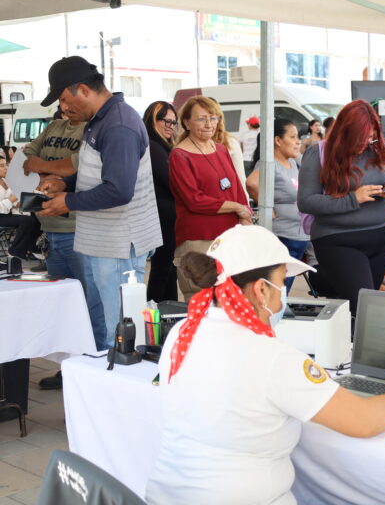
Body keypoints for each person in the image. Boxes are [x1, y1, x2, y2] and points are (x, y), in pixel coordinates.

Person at [144, 224, 385, 505]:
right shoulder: (271, 356)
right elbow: (364, 422)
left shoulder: (184, 331)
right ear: (260, 290)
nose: (282, 293)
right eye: (282, 280)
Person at [38, 56, 162, 349]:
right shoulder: (101, 120)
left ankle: (120, 388)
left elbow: (118, 190)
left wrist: (67, 201)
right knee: (108, 327)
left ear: (82, 88)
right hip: (104, 242)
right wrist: (66, 183)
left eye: (64, 99)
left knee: (119, 333)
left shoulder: (118, 124)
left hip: (119, 245)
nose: (63, 108)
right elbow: (104, 173)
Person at [22, 105, 107, 390]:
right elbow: (26, 156)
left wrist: (45, 167)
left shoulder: (92, 130)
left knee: (91, 303)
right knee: (67, 307)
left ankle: (96, 367)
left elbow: (74, 165)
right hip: (51, 231)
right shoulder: (52, 128)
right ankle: (71, 368)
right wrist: (48, 167)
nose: (66, 107)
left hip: (79, 229)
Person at [297, 100, 385, 314]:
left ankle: (356, 345)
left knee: (368, 304)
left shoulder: (376, 149)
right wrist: (353, 199)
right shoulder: (318, 153)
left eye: (371, 136)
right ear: (346, 131)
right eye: (362, 138)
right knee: (363, 306)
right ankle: (355, 346)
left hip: (379, 236)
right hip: (339, 240)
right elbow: (306, 201)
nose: (367, 142)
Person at [169, 96, 252, 301]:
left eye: (213, 118)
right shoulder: (180, 156)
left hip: (228, 236)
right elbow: (193, 199)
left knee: (232, 300)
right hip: (199, 239)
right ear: (186, 122)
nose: (209, 124)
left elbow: (235, 186)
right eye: (201, 119)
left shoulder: (221, 149)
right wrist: (235, 207)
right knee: (203, 301)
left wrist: (244, 213)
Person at [245, 118, 309, 292]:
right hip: (283, 237)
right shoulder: (269, 164)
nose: (298, 142)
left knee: (283, 292)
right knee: (276, 291)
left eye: (298, 137)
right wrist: (268, 208)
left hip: (298, 238)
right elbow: (251, 183)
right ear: (278, 140)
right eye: (293, 137)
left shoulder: (292, 164)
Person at [142, 101, 179, 303]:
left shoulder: (162, 146)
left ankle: (167, 313)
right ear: (152, 120)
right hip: (162, 216)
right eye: (165, 120)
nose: (170, 126)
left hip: (165, 215)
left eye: (173, 122)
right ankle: (156, 315)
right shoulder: (153, 146)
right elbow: (171, 181)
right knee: (163, 268)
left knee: (168, 268)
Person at [0, 149, 41, 259]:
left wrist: (17, 202)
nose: (6, 168)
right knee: (27, 221)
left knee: (39, 218)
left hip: (9, 213)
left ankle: (30, 247)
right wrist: (11, 200)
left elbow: (18, 193)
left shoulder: (6, 180)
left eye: (6, 165)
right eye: (1, 166)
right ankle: (15, 252)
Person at [210, 99, 247, 195]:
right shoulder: (185, 146)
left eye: (212, 118)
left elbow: (240, 179)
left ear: (218, 119)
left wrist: (245, 206)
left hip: (227, 199)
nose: (207, 123)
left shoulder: (230, 142)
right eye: (201, 118)